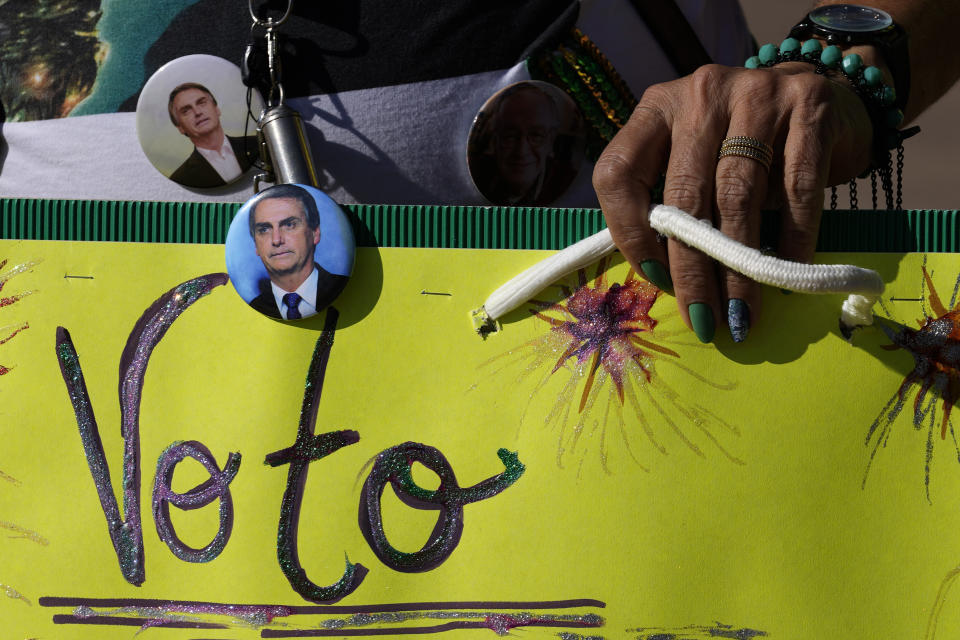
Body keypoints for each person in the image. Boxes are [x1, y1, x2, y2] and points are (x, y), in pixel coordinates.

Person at [246, 184, 348, 320]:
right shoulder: (252, 308)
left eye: (289, 225)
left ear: (315, 233)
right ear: (256, 245)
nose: (276, 240)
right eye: (264, 229)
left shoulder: (348, 289)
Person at [167, 82, 258, 188]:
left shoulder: (258, 144)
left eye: (201, 103)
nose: (197, 112)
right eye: (186, 111)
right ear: (180, 128)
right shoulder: (182, 177)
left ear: (217, 109)